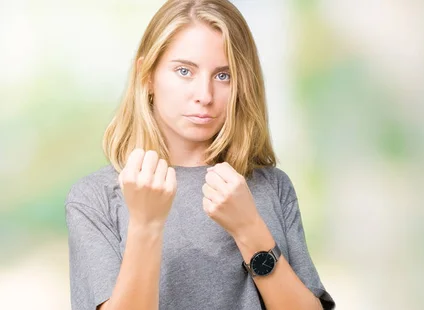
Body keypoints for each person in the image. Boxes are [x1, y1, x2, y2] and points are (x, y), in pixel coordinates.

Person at [64, 0, 335, 309]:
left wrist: (249, 229)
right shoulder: (95, 198)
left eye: (224, 76)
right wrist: (146, 224)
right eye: (184, 71)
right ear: (147, 75)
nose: (204, 96)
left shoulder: (272, 187)